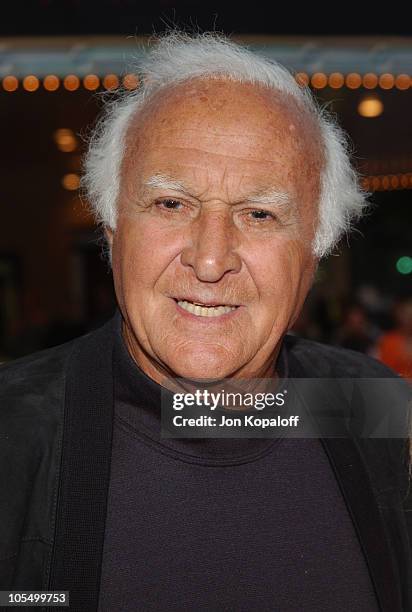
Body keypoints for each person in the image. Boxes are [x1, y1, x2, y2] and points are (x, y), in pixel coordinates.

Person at [1, 32, 411, 612]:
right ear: (113, 232)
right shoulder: (13, 435)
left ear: (314, 253)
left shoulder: (373, 409)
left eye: (260, 213)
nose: (211, 259)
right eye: (172, 204)